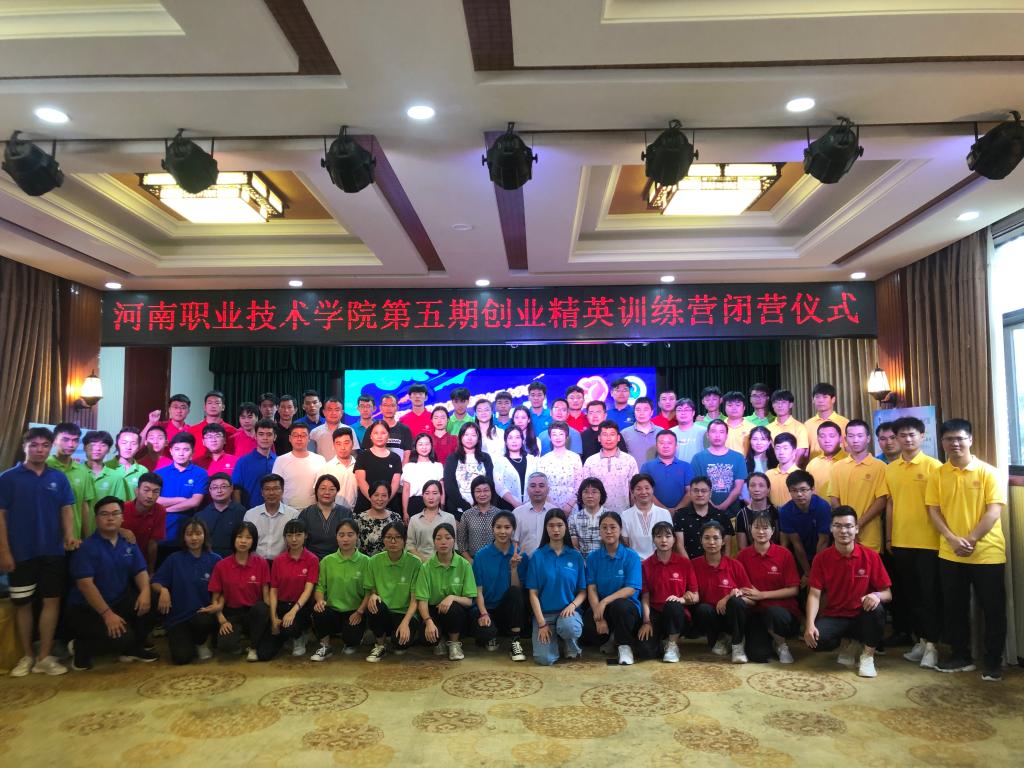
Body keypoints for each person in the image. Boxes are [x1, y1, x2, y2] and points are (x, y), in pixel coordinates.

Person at [926, 418, 1007, 680]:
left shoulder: (988, 472)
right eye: (949, 439)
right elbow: (933, 510)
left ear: (970, 440)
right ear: (942, 442)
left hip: (987, 552)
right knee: (954, 608)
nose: (955, 443)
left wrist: (970, 539)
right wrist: (951, 539)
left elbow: (993, 511)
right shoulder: (938, 474)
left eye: (960, 438)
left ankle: (993, 662)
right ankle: (961, 656)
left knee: (993, 609)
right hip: (950, 553)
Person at [0, 427, 76, 677]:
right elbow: (1, 516)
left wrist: (69, 535)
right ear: (24, 447)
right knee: (23, 605)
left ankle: (44, 656)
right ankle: (27, 656)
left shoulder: (58, 478)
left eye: (44, 445)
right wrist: (4, 551)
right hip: (20, 553)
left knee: (51, 601)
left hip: (52, 551)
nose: (39, 450)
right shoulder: (8, 478)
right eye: (34, 445)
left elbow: (66, 509)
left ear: (50, 447)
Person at [67, 496, 158, 670]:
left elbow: (140, 570)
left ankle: (132, 649)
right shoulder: (87, 547)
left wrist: (145, 592)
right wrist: (107, 614)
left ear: (122, 518)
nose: (110, 518)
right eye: (104, 514)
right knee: (122, 639)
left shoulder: (128, 542)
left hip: (118, 600)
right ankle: (81, 646)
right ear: (96, 518)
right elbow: (85, 585)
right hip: (88, 610)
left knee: (154, 597)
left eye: (115, 513)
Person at [805, 506, 892, 678]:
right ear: (831, 529)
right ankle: (849, 643)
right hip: (836, 615)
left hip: (862, 615)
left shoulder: (871, 556)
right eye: (837, 526)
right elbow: (814, 594)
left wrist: (876, 595)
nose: (843, 531)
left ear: (856, 528)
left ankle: (867, 656)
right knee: (816, 641)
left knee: (877, 609)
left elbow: (887, 594)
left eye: (848, 526)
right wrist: (810, 624)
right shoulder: (821, 558)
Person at [884, 417, 943, 669]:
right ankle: (920, 640)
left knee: (929, 595)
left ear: (922, 436)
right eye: (902, 435)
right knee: (911, 595)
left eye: (912, 435)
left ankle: (932, 646)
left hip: (929, 542)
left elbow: (940, 506)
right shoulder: (891, 469)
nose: (907, 439)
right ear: (896, 439)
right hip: (901, 541)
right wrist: (889, 536)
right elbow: (890, 504)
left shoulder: (934, 467)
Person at [151, 517, 221, 665]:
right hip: (179, 617)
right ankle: (188, 640)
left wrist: (218, 604)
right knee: (182, 658)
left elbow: (225, 588)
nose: (194, 538)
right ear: (183, 537)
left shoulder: (215, 560)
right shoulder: (174, 559)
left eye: (198, 533)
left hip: (203, 614)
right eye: (189, 534)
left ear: (205, 535)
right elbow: (155, 581)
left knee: (203, 621)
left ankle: (201, 642)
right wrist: (163, 590)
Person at [737, 512, 800, 664]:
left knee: (774, 613)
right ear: (750, 529)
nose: (761, 532)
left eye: (765, 528)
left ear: (773, 530)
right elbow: (741, 585)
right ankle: (765, 640)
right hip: (756, 612)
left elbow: (794, 589)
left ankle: (781, 644)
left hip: (781, 611)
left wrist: (762, 595)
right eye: (756, 527)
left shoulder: (784, 554)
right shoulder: (742, 556)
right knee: (758, 655)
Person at [525, 510, 587, 666]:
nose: (556, 530)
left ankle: (568, 641)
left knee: (569, 627)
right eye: (551, 526)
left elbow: (582, 592)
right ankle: (555, 640)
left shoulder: (575, 556)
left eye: (560, 525)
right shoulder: (538, 556)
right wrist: (541, 623)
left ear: (566, 527)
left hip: (568, 613)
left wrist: (572, 606)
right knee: (544, 660)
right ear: (546, 528)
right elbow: (533, 594)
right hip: (544, 615)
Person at [586, 511, 644, 665]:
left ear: (620, 530)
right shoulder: (593, 557)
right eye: (604, 527)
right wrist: (599, 618)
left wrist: (604, 601)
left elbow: (631, 589)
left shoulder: (631, 556)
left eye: (613, 527)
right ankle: (611, 637)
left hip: (626, 608)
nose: (608, 531)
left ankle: (625, 646)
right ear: (599, 531)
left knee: (620, 606)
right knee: (588, 627)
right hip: (603, 608)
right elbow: (591, 588)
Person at [208, 521, 271, 661]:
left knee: (261, 608)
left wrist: (272, 617)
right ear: (233, 539)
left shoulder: (261, 563)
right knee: (226, 645)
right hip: (231, 613)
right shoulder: (221, 565)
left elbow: (266, 597)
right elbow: (215, 599)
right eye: (239, 536)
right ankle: (239, 641)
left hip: (253, 613)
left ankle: (253, 647)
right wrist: (222, 621)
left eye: (248, 537)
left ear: (253, 541)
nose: (243, 541)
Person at [690, 520, 751, 663]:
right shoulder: (693, 565)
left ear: (723, 541)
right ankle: (720, 639)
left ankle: (737, 644)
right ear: (701, 541)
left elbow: (749, 595)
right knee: (703, 609)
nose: (711, 542)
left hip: (732, 616)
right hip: (710, 617)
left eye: (716, 538)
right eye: (707, 538)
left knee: (736, 601)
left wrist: (728, 597)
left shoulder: (735, 565)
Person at [310, 518, 370, 661]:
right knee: (319, 609)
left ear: (357, 536)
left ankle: (356, 637)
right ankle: (325, 645)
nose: (345, 539)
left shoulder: (367, 561)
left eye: (350, 534)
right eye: (341, 535)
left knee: (351, 641)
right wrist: (320, 600)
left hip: (355, 612)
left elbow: (369, 591)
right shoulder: (327, 561)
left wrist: (360, 611)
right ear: (336, 537)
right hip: (333, 610)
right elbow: (320, 587)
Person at [363, 521, 422, 662]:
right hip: (384, 612)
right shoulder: (374, 561)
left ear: (404, 540)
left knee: (400, 645)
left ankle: (397, 635)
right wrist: (373, 595)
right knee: (374, 603)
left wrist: (405, 623)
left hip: (405, 613)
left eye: (398, 537)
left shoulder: (415, 563)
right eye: (389, 537)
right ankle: (380, 644)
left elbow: (415, 599)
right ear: (383, 539)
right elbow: (372, 588)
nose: (393, 541)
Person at [639, 521, 698, 663]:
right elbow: (645, 596)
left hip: (677, 614)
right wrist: (646, 621)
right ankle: (662, 640)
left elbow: (696, 596)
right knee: (645, 652)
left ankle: (672, 645)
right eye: (659, 536)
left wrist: (681, 599)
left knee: (672, 604)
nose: (663, 540)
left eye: (668, 536)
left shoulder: (685, 563)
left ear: (674, 539)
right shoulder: (646, 565)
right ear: (653, 539)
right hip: (655, 613)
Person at [472, 512, 528, 661]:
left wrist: (514, 568)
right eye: (498, 527)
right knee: (485, 634)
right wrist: (484, 614)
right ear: (493, 529)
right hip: (486, 609)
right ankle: (492, 634)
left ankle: (515, 641)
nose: (502, 531)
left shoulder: (520, 555)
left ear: (513, 530)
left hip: (507, 610)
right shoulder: (481, 555)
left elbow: (517, 592)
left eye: (507, 527)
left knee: (515, 592)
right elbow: (478, 591)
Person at [260, 519, 319, 660]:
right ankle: (285, 635)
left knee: (288, 627)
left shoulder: (312, 559)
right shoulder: (278, 560)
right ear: (285, 537)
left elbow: (308, 590)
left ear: (305, 536)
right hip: (281, 605)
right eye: (289, 535)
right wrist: (274, 617)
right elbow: (273, 590)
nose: (294, 539)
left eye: (298, 535)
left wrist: (293, 612)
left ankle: (299, 636)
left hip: (301, 607)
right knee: (264, 654)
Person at [417, 523, 476, 661]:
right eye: (438, 538)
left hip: (455, 613)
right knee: (426, 640)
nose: (443, 542)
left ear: (454, 541)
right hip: (433, 611)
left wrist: (452, 597)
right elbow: (422, 601)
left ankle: (454, 643)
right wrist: (428, 622)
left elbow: (469, 601)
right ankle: (440, 639)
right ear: (434, 542)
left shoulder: (464, 565)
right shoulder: (426, 567)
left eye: (448, 538)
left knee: (453, 608)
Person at [827, 419, 888, 554]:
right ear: (845, 439)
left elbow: (882, 500)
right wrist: (847, 526)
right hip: (843, 534)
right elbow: (834, 499)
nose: (855, 440)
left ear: (868, 439)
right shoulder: (837, 467)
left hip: (870, 536)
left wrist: (857, 525)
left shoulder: (880, 467)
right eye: (851, 436)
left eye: (860, 436)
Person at [155, 433, 208, 565]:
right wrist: (181, 499)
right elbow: (155, 500)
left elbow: (195, 501)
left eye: (186, 449)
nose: (181, 453)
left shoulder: (200, 473)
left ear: (192, 452)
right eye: (177, 449)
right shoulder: (159, 473)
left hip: (189, 533)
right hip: (163, 532)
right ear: (171, 451)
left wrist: (166, 510)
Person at [779, 469, 832, 585]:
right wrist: (808, 572)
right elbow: (796, 543)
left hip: (823, 554)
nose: (799, 494)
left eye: (803, 490)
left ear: (812, 489)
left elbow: (823, 541)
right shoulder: (785, 511)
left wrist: (815, 571)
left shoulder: (823, 507)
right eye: (794, 490)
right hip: (801, 556)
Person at [47, 421, 96, 539]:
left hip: (74, 538)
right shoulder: (44, 467)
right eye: (65, 439)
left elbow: (84, 507)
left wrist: (87, 538)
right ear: (54, 441)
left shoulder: (83, 471)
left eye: (75, 440)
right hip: (46, 537)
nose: (71, 444)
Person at [689, 420, 747, 513]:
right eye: (713, 431)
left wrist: (723, 506)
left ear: (726, 435)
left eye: (721, 432)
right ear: (707, 435)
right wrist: (711, 506)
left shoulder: (738, 457)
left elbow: (738, 487)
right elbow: (696, 486)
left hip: (732, 512)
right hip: (704, 512)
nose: (717, 435)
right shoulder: (698, 458)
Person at [581, 420, 639, 513]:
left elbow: (634, 490)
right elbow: (585, 491)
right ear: (599, 438)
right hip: (596, 514)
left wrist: (633, 513)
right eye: (604, 434)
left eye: (612, 434)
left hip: (623, 513)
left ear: (618, 438)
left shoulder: (629, 460)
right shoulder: (590, 461)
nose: (608, 438)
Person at [672, 475, 735, 559]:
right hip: (689, 564)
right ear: (690, 493)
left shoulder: (722, 516)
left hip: (717, 565)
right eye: (696, 491)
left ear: (710, 493)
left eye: (703, 491)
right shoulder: (680, 515)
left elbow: (727, 548)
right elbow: (679, 546)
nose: (700, 494)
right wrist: (689, 566)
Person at [442, 422, 495, 519]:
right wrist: (465, 506)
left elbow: (490, 483)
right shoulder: (452, 458)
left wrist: (480, 506)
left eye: (473, 435)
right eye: (466, 435)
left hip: (483, 509)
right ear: (461, 437)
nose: (469, 438)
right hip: (458, 511)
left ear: (478, 438)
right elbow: (450, 486)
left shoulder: (486, 458)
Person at [242, 474, 299, 560]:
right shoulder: (250, 515)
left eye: (276, 488)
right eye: (267, 489)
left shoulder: (293, 515)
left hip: (282, 562)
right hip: (256, 562)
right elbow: (245, 542)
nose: (271, 493)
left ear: (282, 491)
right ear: (262, 492)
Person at [297, 475, 354, 559]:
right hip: (311, 560)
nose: (327, 492)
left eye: (332, 489)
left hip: (339, 559)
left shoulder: (345, 513)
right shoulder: (306, 513)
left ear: (337, 491)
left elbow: (351, 540)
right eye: (323, 488)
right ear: (316, 491)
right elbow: (300, 541)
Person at [271, 423, 326, 510]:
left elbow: (324, 487)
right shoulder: (280, 460)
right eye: (295, 435)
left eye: (303, 435)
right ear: (290, 438)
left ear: (309, 438)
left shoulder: (320, 460)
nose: (299, 439)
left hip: (313, 510)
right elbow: (275, 487)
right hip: (288, 510)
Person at [353, 421, 403, 514]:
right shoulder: (363, 456)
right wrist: (374, 501)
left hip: (389, 506)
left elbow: (395, 483)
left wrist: (384, 501)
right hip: (366, 505)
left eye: (383, 433)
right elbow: (361, 481)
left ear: (388, 436)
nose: (379, 436)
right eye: (376, 433)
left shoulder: (395, 458)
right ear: (370, 436)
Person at [121, 472, 167, 572]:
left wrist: (151, 571)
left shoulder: (160, 511)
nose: (150, 496)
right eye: (146, 490)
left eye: (156, 491)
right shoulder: (122, 508)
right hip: (118, 561)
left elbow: (153, 544)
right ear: (137, 491)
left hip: (141, 564)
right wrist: (120, 530)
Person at [640, 430, 693, 515]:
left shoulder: (686, 466)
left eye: (669, 443)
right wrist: (665, 511)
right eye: (661, 443)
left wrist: (676, 511)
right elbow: (644, 492)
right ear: (656, 446)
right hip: (653, 513)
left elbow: (690, 491)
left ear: (676, 446)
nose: (665, 446)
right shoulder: (647, 467)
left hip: (681, 514)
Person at [620, 473, 671, 559]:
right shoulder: (625, 515)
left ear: (652, 490)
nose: (643, 492)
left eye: (647, 488)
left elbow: (669, 542)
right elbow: (625, 545)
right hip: (635, 562)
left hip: (659, 561)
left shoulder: (664, 513)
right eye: (638, 489)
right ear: (632, 492)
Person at [536, 421, 582, 513]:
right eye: (554, 434)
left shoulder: (575, 458)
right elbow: (541, 485)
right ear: (550, 437)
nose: (558, 437)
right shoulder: (543, 460)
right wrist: (551, 506)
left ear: (566, 437)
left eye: (561, 434)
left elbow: (579, 484)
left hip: (571, 505)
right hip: (549, 505)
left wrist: (569, 505)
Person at [197, 473, 248, 558]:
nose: (219, 491)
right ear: (210, 490)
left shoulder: (243, 513)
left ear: (231, 488)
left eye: (223, 487)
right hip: (207, 560)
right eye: (215, 487)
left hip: (234, 559)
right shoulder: (201, 515)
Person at [232, 418, 278, 509]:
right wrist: (239, 512)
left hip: (276, 512)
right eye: (261, 434)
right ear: (255, 436)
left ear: (275, 437)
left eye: (269, 434)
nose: (265, 438)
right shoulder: (243, 462)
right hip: (249, 512)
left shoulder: (279, 461)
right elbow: (236, 490)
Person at [406, 481, 457, 561]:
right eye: (427, 493)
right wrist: (425, 563)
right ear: (422, 496)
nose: (431, 497)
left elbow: (454, 545)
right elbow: (410, 546)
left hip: (443, 563)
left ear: (441, 495)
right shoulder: (414, 519)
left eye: (435, 493)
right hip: (420, 564)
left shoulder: (449, 518)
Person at [401, 433, 444, 521]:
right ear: (415, 447)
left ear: (431, 446)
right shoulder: (409, 467)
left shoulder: (438, 466)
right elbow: (406, 490)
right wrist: (405, 512)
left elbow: (441, 489)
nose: (424, 447)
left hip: (434, 503)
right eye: (420, 444)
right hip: (414, 504)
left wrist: (442, 509)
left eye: (427, 444)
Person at [493, 426, 538, 508]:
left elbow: (537, 482)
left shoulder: (532, 460)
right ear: (505, 441)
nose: (514, 441)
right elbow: (499, 486)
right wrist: (515, 503)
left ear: (522, 440)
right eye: (510, 438)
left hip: (531, 505)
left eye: (517, 437)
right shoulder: (500, 462)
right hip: (507, 507)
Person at [457, 476, 500, 560]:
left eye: (486, 490)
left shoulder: (499, 514)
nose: (482, 494)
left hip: (497, 560)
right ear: (473, 493)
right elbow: (461, 543)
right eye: (478, 491)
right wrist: (470, 561)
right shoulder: (467, 515)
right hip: (474, 561)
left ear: (492, 492)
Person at [188, 390, 237, 463]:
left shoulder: (233, 431)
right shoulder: (192, 431)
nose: (213, 406)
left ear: (223, 407)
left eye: (217, 403)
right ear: (204, 407)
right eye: (210, 403)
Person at [804, 382, 850, 460]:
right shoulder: (807, 424)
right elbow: (805, 453)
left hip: (839, 465)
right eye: (817, 397)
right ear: (813, 400)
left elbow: (849, 450)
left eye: (825, 397)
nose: (820, 400)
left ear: (833, 399)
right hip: (814, 466)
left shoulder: (844, 422)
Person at [317, 426, 359, 510]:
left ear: (353, 444)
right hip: (332, 512)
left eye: (346, 443)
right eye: (338, 444)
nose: (343, 447)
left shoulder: (359, 467)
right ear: (333, 445)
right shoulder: (326, 468)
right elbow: (318, 494)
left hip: (355, 512)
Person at [357, 482, 403, 556]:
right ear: (370, 496)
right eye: (376, 495)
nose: (380, 499)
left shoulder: (396, 517)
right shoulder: (360, 518)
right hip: (367, 562)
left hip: (391, 561)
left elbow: (401, 542)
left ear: (388, 497)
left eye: (384, 495)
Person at [734, 472, 779, 549]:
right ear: (748, 489)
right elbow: (742, 549)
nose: (756, 489)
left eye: (761, 486)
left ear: (768, 490)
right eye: (752, 485)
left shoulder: (777, 511)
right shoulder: (742, 515)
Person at [512, 472, 553, 555]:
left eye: (541, 486)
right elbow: (514, 542)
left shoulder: (555, 512)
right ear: (527, 490)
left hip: (550, 561)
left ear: (548, 489)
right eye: (533, 486)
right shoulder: (517, 513)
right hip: (524, 561)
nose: (537, 490)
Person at [82, 430, 129, 501]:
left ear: (108, 450)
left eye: (103, 445)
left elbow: (120, 504)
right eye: (93, 444)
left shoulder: (116, 477)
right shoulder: (75, 473)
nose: (97, 449)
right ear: (84, 448)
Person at [767, 390, 810, 465]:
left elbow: (800, 452)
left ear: (790, 405)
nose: (780, 405)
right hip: (771, 467)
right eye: (776, 402)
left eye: (783, 402)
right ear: (773, 405)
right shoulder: (768, 428)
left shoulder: (800, 427)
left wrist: (790, 469)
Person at [370, 394, 414, 463]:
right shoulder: (372, 429)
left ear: (397, 408)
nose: (389, 408)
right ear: (380, 408)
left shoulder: (405, 430)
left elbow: (407, 456)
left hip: (399, 468)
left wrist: (401, 469)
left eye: (392, 405)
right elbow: (367, 454)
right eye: (385, 405)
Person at [569, 477, 607, 558]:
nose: (590, 496)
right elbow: (574, 547)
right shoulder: (573, 519)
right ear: (581, 495)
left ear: (601, 494)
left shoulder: (609, 516)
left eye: (594, 492)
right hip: (583, 563)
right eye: (586, 492)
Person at [805, 421, 847, 492]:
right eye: (822, 436)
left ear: (840, 439)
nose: (827, 440)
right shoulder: (812, 465)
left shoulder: (849, 461)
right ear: (817, 439)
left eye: (832, 436)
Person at [107, 427, 148, 498]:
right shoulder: (106, 467)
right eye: (124, 443)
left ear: (138, 447)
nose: (128, 447)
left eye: (133, 443)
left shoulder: (143, 471)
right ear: (116, 445)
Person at [765, 433, 800, 507]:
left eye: (785, 448)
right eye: (777, 448)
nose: (781, 452)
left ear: (794, 451)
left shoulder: (801, 475)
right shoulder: (768, 474)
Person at [622, 396, 659, 463]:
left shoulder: (660, 432)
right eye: (638, 410)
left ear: (651, 412)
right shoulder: (625, 433)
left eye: (645, 410)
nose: (641, 413)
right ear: (634, 412)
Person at [670, 398, 707, 463]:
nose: (683, 413)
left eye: (686, 410)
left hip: (698, 468)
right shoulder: (670, 433)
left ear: (693, 413)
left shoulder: (703, 431)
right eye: (679, 410)